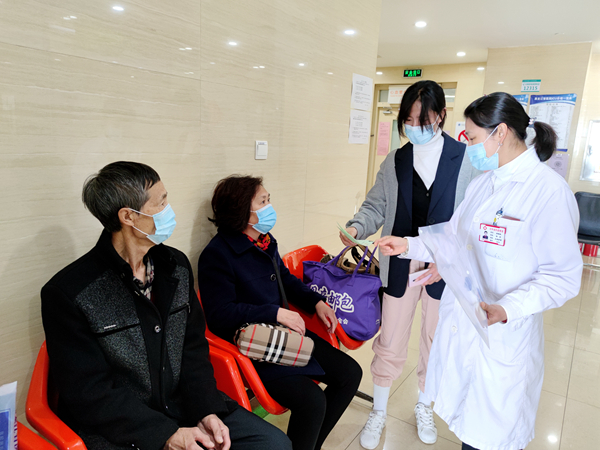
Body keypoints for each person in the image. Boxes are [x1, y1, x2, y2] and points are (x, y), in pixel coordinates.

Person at [375, 92, 583, 450]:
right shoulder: (483, 184)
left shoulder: (548, 192)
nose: (468, 146)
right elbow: (452, 240)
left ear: (499, 133)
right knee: (469, 431)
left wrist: (508, 308)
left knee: (491, 436)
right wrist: (407, 245)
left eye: (471, 138)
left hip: (504, 336)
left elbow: (562, 278)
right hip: (469, 328)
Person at [41, 162, 291, 450]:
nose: (168, 210)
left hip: (185, 405)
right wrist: (165, 435)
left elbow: (192, 349)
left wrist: (206, 411)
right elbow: (90, 393)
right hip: (124, 427)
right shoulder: (70, 293)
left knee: (274, 443)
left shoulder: (175, 267)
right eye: (160, 203)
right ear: (128, 216)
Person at [342, 80, 480, 448]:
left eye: (424, 119)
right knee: (390, 339)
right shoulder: (396, 160)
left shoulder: (465, 160)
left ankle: (423, 405)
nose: (416, 126)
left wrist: (453, 261)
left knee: (434, 340)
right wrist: (357, 226)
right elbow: (376, 205)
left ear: (441, 115)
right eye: (409, 120)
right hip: (399, 262)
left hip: (443, 267)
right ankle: (379, 410)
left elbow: (472, 220)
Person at [198, 175, 363, 450]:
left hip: (286, 334)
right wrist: (274, 313)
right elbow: (219, 315)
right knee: (313, 401)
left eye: (268, 199)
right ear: (242, 211)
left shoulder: (263, 241)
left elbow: (285, 279)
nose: (269, 207)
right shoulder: (217, 255)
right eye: (262, 202)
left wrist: (316, 302)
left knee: (350, 374)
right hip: (255, 347)